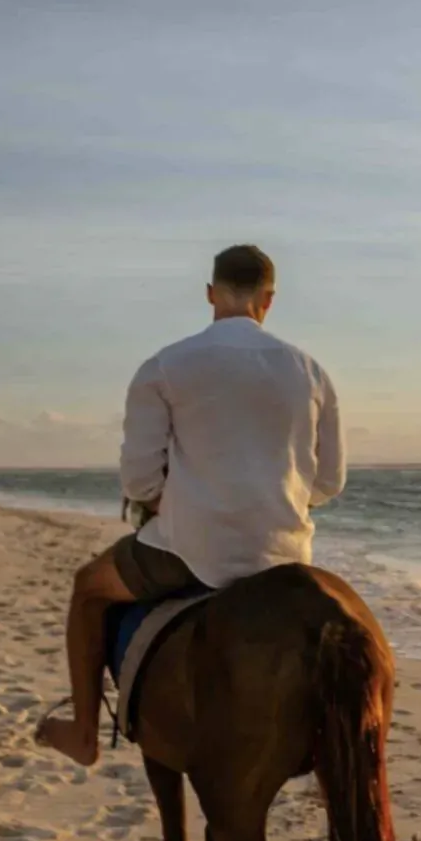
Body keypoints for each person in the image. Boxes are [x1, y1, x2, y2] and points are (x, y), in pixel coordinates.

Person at [36, 244, 347, 766]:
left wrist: (177, 501)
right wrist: (279, 499)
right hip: (287, 558)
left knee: (88, 588)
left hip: (191, 553)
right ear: (269, 300)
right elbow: (330, 481)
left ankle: (85, 734)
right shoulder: (311, 372)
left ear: (210, 294)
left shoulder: (165, 366)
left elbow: (138, 480)